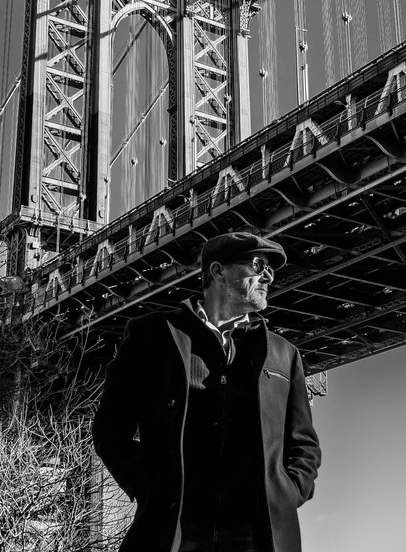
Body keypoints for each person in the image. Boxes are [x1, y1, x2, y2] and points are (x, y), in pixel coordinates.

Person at [92, 231, 321, 552]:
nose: (268, 275)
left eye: (271, 268)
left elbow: (304, 443)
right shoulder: (152, 335)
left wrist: (289, 490)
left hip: (260, 534)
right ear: (217, 271)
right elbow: (110, 429)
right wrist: (152, 485)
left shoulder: (285, 353)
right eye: (258, 264)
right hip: (174, 531)